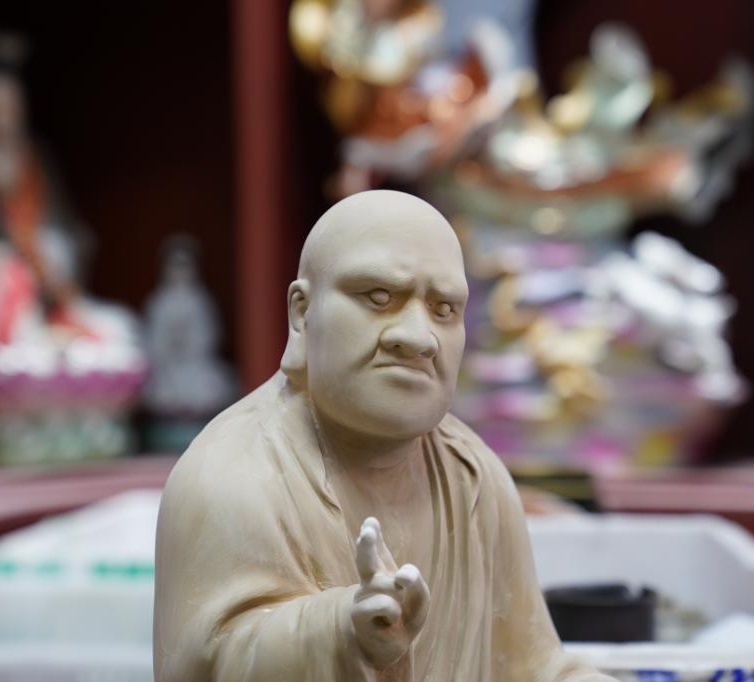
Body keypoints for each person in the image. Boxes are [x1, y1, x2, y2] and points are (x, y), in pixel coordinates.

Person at [153, 190, 612, 681]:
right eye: (379, 298)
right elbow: (201, 666)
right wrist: (341, 635)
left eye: (443, 309)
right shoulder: (230, 476)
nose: (417, 338)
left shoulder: (473, 478)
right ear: (302, 314)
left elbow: (534, 669)